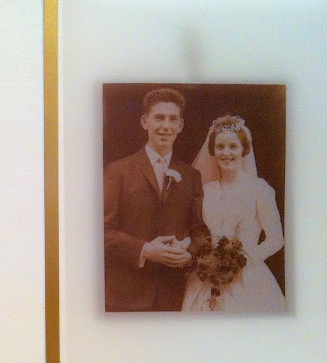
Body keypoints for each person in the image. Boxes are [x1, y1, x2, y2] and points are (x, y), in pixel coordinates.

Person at [104, 88, 206, 311]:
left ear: (180, 125)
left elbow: (199, 231)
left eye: (173, 119)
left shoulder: (191, 176)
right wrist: (145, 249)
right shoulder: (118, 171)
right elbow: (102, 232)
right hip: (127, 295)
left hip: (174, 294)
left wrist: (188, 254)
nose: (166, 126)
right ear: (145, 122)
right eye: (159, 118)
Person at [183, 114, 286, 311]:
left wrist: (243, 261)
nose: (226, 153)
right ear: (213, 150)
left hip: (248, 275)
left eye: (233, 146)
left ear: (243, 149)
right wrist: (207, 259)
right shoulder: (207, 190)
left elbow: (276, 238)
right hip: (208, 276)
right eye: (220, 147)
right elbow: (197, 231)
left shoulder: (259, 189)